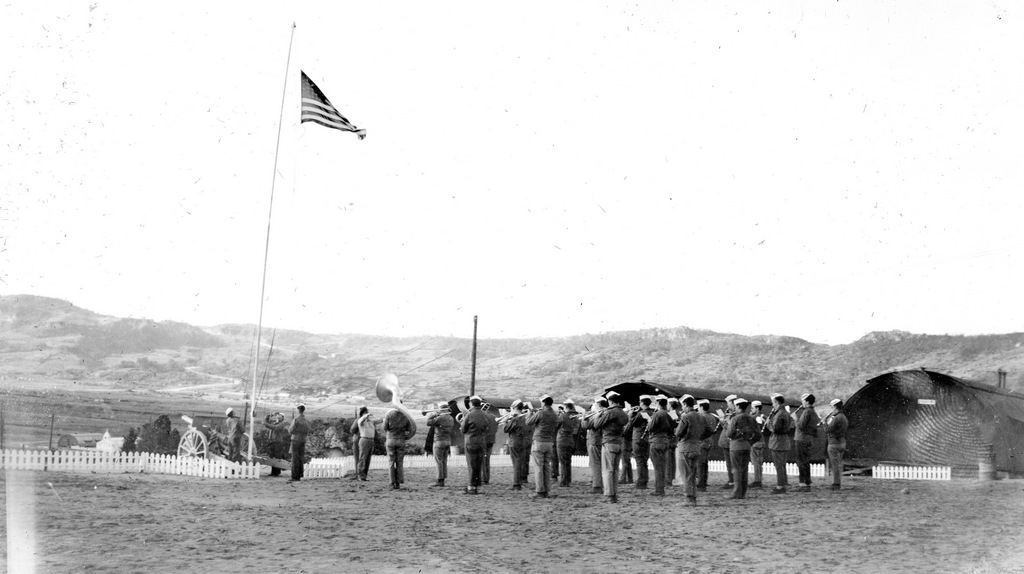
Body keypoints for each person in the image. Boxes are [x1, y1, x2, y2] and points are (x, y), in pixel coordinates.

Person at [591, 391, 630, 503]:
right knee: (615, 470)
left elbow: (596, 424)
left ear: (610, 401)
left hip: (608, 442)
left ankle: (609, 495)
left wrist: (598, 414)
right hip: (619, 443)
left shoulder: (610, 412)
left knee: (608, 470)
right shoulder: (623, 413)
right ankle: (614, 494)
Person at [674, 395, 708, 506]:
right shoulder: (701, 417)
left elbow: (678, 433)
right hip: (696, 447)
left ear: (685, 404)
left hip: (685, 448)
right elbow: (709, 430)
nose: (682, 408)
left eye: (682, 405)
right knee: (692, 475)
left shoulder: (686, 417)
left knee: (686, 475)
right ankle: (693, 497)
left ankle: (689, 499)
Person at [725, 398, 760, 500]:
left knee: (736, 469)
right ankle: (743, 492)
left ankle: (736, 492)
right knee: (744, 469)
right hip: (746, 446)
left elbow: (729, 434)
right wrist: (750, 442)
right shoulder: (751, 418)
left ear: (738, 406)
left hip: (735, 446)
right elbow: (758, 434)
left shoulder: (735, 419)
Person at [525, 394, 559, 499]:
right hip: (549, 442)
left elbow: (528, 422)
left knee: (538, 467)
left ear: (544, 403)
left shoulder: (540, 413)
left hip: (539, 442)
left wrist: (529, 414)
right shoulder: (555, 415)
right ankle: (546, 491)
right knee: (547, 467)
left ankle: (540, 491)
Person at [645, 395, 675, 496]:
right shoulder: (670, 413)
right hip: (665, 440)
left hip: (656, 441)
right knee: (663, 466)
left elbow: (650, 428)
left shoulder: (657, 414)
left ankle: (659, 489)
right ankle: (662, 487)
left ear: (658, 403)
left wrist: (649, 421)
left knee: (657, 467)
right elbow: (674, 425)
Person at [461, 396, 491, 495]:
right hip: (481, 442)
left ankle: (471, 487)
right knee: (478, 464)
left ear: (472, 404)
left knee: (471, 465)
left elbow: (463, 429)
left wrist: (462, 422)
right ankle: (477, 486)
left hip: (470, 441)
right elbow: (487, 428)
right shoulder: (485, 414)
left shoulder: (469, 415)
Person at [382, 405, 415, 490]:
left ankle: (392, 482)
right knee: (399, 462)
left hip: (391, 440)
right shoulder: (406, 415)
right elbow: (410, 429)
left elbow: (385, 428)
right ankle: (398, 483)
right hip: (401, 440)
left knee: (391, 462)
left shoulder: (389, 414)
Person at [766, 393, 793, 494]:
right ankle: (782, 483)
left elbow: (775, 429)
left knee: (778, 465)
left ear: (777, 402)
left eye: (773, 403)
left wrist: (768, 423)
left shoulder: (779, 414)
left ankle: (780, 486)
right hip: (783, 441)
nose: (772, 405)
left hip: (777, 442)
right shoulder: (785, 413)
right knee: (782, 465)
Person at [793, 393, 820, 490]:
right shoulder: (813, 412)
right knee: (806, 461)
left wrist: (795, 419)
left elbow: (800, 426)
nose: (802, 403)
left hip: (801, 439)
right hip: (808, 439)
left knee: (801, 461)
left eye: (803, 401)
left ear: (807, 402)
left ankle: (802, 483)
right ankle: (807, 482)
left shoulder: (806, 411)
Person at [503, 400, 531, 491]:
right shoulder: (526, 418)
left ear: (515, 407)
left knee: (516, 464)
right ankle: (520, 481)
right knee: (520, 462)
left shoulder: (515, 419)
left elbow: (505, 429)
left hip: (514, 442)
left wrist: (506, 420)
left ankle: (516, 484)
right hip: (523, 442)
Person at [581, 397, 607, 494]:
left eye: (595, 404)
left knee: (595, 464)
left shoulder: (597, 414)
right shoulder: (608, 413)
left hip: (595, 440)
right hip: (604, 441)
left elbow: (586, 426)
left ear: (598, 404)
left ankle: (597, 486)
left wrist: (584, 418)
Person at [823, 398, 849, 491]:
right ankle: (838, 482)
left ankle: (836, 483)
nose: (832, 409)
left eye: (832, 407)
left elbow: (827, 430)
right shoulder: (844, 417)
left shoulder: (836, 418)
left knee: (835, 464)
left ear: (835, 407)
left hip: (834, 443)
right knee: (838, 464)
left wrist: (824, 423)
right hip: (842, 442)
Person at [426, 407, 455, 487]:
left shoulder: (440, 418)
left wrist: (433, 415)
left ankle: (439, 480)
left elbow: (428, 423)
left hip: (439, 441)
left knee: (438, 461)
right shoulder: (451, 418)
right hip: (448, 441)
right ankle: (443, 478)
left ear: (443, 410)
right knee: (444, 461)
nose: (439, 411)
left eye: (440, 410)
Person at [556, 399, 581, 487]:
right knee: (568, 461)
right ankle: (568, 479)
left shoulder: (562, 416)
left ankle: (563, 481)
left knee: (563, 461)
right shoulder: (576, 417)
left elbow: (556, 425)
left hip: (562, 439)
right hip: (571, 439)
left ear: (565, 406)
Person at [349, 406, 375, 481]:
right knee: (360, 458)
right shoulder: (359, 420)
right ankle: (359, 474)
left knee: (361, 458)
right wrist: (360, 432)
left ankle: (361, 475)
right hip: (359, 440)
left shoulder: (368, 421)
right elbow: (352, 430)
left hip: (361, 439)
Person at [717, 394, 738, 490]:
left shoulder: (735, 414)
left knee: (731, 463)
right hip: (726, 441)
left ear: (733, 403)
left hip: (729, 441)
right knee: (729, 462)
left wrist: (724, 422)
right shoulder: (729, 413)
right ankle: (731, 480)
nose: (727, 405)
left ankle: (732, 481)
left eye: (728, 403)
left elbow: (730, 427)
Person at [696, 399, 717, 491]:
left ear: (701, 407)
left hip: (702, 441)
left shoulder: (702, 417)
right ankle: (704, 481)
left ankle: (701, 484)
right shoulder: (712, 416)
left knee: (700, 464)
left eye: (698, 407)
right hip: (709, 441)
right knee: (705, 463)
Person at [261, 412, 290, 477]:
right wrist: (268, 415)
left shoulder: (283, 423)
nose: (278, 416)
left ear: (282, 417)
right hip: (273, 441)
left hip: (277, 442)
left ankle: (276, 472)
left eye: (280, 415)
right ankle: (274, 472)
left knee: (277, 457)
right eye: (278, 415)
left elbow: (275, 427)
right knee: (273, 457)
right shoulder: (276, 422)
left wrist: (265, 423)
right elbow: (267, 424)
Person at [287, 404, 310, 482]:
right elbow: (308, 430)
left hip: (296, 440)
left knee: (295, 458)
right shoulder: (305, 420)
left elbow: (291, 430)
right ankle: (300, 475)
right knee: (300, 458)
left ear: (298, 410)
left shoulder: (296, 419)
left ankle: (294, 476)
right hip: (303, 440)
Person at [749, 400, 766, 488]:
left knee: (756, 462)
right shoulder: (762, 416)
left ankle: (757, 481)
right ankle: (758, 480)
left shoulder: (756, 417)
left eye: (752, 408)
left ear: (757, 408)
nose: (751, 409)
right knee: (758, 462)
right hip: (761, 441)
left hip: (755, 442)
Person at [482, 404, 498, 485]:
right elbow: (496, 429)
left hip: (483, 439)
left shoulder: (482, 416)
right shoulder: (493, 416)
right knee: (487, 459)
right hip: (491, 439)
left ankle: (483, 478)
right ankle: (486, 478)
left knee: (482, 460)